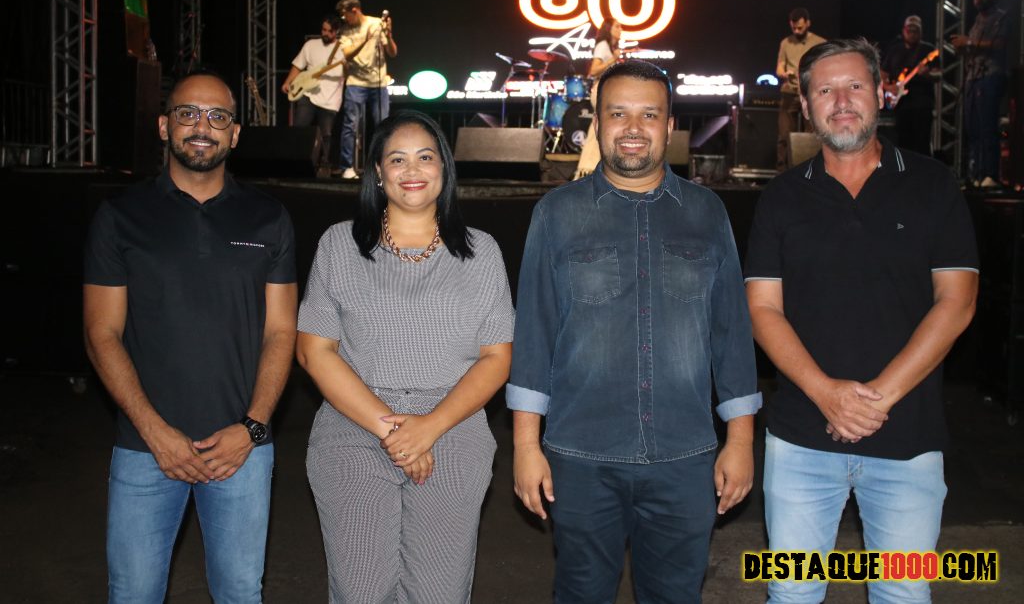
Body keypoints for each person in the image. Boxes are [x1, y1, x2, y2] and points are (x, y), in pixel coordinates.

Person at [508, 59, 761, 602]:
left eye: (649, 115)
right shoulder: (556, 213)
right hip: (580, 455)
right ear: (597, 123)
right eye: (617, 113)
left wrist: (740, 441)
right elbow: (533, 334)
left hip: (685, 456)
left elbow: (732, 335)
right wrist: (525, 446)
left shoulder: (707, 211)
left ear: (669, 126)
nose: (632, 128)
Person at [745, 38, 978, 603]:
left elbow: (957, 302)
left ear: (880, 93)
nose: (842, 101)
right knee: (791, 594)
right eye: (825, 90)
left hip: (907, 440)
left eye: (854, 85)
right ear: (806, 106)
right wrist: (827, 395)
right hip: (801, 440)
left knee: (903, 593)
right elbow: (762, 308)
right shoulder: (781, 197)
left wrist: (873, 401)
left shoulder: (932, 185)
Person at [83, 71, 298, 603]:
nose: (203, 126)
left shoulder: (269, 217)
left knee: (240, 593)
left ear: (235, 133)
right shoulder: (120, 216)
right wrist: (156, 433)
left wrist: (252, 428)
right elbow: (101, 334)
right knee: (133, 593)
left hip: (242, 449)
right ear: (164, 126)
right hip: (145, 447)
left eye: (218, 116)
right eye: (188, 113)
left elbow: (281, 332)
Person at [296, 110, 514, 602]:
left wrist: (429, 427)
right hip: (352, 429)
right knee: (360, 592)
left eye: (425, 157)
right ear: (378, 171)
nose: (412, 170)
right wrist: (396, 432)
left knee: (439, 592)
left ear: (444, 168)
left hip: (453, 429)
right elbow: (315, 352)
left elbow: (497, 359)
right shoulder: (339, 244)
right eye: (397, 159)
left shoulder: (482, 252)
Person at [281, 15, 370, 173]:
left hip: (330, 100)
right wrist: (288, 82)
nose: (325, 33)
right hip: (308, 94)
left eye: (329, 31)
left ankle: (324, 167)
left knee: (326, 135)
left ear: (336, 31)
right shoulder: (310, 45)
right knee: (299, 129)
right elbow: (298, 65)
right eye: (323, 30)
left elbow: (349, 75)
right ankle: (294, 162)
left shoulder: (344, 49)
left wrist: (347, 66)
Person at [952, 0, 1009, 187]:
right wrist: (963, 48)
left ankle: (990, 174)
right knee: (973, 129)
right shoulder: (977, 20)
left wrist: (968, 42)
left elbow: (999, 44)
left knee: (987, 128)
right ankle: (975, 175)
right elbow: (973, 48)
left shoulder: (1000, 17)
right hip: (973, 78)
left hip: (990, 76)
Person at [335, 0, 398, 180]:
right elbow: (347, 54)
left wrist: (389, 35)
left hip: (377, 83)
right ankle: (347, 167)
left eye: (345, 14)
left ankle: (382, 167)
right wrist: (365, 39)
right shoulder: (345, 31)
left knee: (383, 125)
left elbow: (392, 53)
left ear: (354, 10)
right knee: (350, 124)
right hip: (355, 82)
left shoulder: (376, 23)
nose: (344, 19)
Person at [881, 15, 939, 155]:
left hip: (922, 103)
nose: (912, 33)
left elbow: (939, 74)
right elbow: (882, 75)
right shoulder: (894, 50)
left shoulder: (928, 50)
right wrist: (889, 87)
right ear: (903, 30)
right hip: (901, 105)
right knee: (902, 143)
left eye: (915, 30)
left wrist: (927, 74)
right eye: (909, 30)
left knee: (922, 143)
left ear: (921, 32)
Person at [776, 7, 826, 170]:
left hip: (810, 94)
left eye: (800, 27)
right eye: (794, 28)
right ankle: (782, 172)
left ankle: (811, 171)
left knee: (811, 136)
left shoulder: (819, 43)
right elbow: (779, 68)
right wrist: (785, 73)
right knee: (784, 135)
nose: (796, 31)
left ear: (808, 24)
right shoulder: (786, 42)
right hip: (790, 92)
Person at [574, 18, 622, 179]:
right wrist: (613, 59)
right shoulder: (603, 46)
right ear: (609, 29)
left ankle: (598, 172)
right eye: (617, 26)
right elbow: (594, 70)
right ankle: (587, 170)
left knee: (604, 130)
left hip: (608, 92)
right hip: (601, 91)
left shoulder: (610, 48)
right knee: (599, 129)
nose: (621, 29)